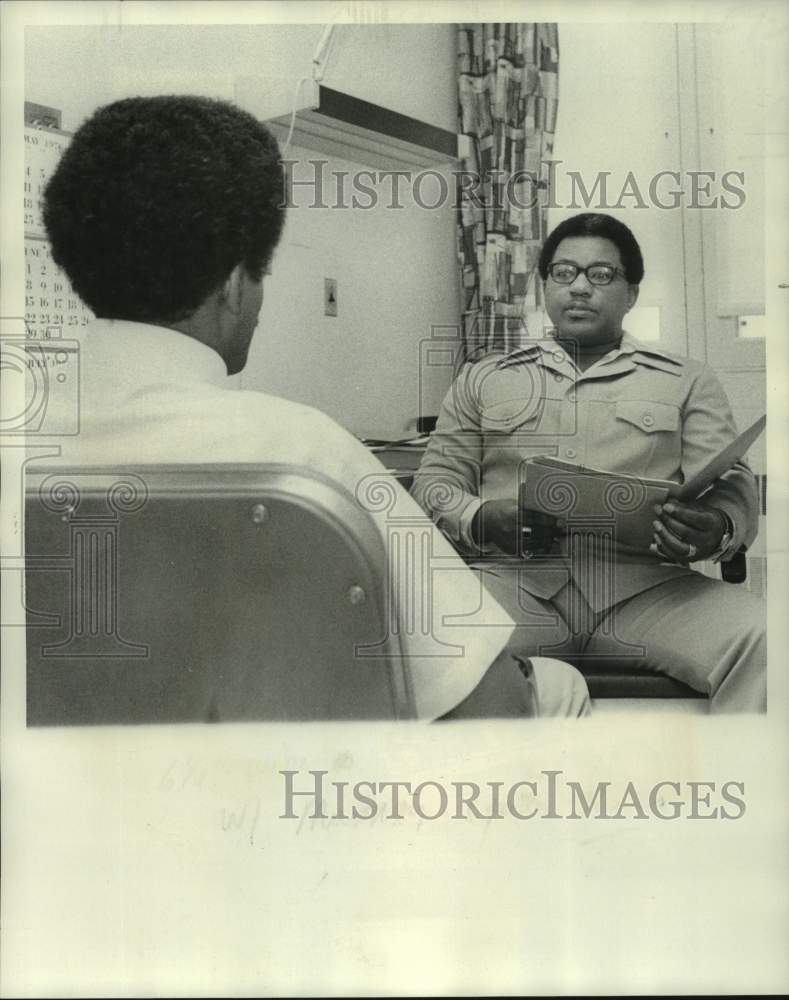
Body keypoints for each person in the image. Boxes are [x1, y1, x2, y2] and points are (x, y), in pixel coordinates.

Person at [40, 95, 590, 721]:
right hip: (297, 797)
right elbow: (490, 710)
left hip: (81, 797)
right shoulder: (305, 454)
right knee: (553, 687)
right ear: (232, 282)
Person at [412, 212, 765, 712]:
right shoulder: (484, 377)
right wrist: (482, 517)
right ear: (543, 286)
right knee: (418, 639)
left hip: (648, 591)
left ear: (631, 293)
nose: (579, 287)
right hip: (515, 586)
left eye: (600, 275)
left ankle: (742, 783)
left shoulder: (687, 380)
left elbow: (731, 484)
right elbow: (435, 482)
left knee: (767, 638)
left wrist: (718, 528)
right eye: (563, 272)